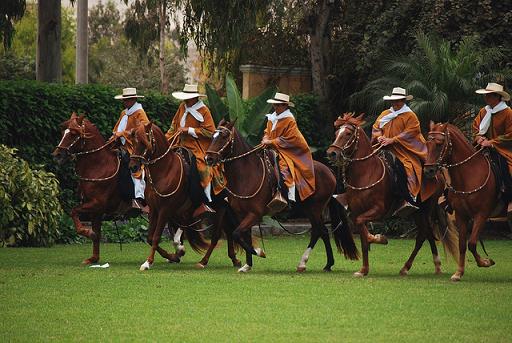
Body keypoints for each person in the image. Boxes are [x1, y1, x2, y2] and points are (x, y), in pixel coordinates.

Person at [166, 84, 224, 219]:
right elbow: (173, 127)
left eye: (188, 98)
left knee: (203, 168)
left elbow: (210, 132)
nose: (185, 100)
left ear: (195, 98)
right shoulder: (182, 107)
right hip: (179, 144)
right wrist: (165, 140)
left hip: (198, 147)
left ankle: (206, 201)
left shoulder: (204, 110)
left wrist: (189, 130)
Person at [372, 87, 427, 217]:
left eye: (398, 101)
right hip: (382, 147)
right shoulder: (385, 113)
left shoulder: (410, 116)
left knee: (402, 167)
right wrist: (379, 137)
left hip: (403, 151)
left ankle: (406, 199)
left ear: (403, 101)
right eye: (393, 101)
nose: (395, 103)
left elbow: (412, 132)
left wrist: (393, 140)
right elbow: (376, 127)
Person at [261, 92, 315, 205]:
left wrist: (270, 141)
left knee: (284, 166)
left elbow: (290, 139)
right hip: (271, 146)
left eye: (278, 105)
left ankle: (288, 194)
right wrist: (265, 138)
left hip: (288, 149)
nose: (275, 107)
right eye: (274, 104)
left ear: (285, 106)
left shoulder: (289, 120)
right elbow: (267, 131)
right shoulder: (272, 117)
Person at [472, 82, 512, 214]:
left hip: (503, 149)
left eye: (488, 95)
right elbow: (476, 127)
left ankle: (509, 197)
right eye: (486, 95)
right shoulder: (484, 111)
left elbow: (510, 134)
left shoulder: (508, 112)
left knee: (505, 167)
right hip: (481, 146)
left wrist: (492, 142)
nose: (486, 98)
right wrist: (479, 137)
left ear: (497, 97)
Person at [112, 87, 150, 213]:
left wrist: (124, 133)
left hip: (134, 147)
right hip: (121, 145)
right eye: (124, 100)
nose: (125, 102)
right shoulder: (124, 113)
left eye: (127, 100)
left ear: (133, 99)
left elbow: (144, 129)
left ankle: (139, 198)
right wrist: (115, 136)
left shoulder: (140, 112)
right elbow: (117, 128)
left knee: (135, 166)